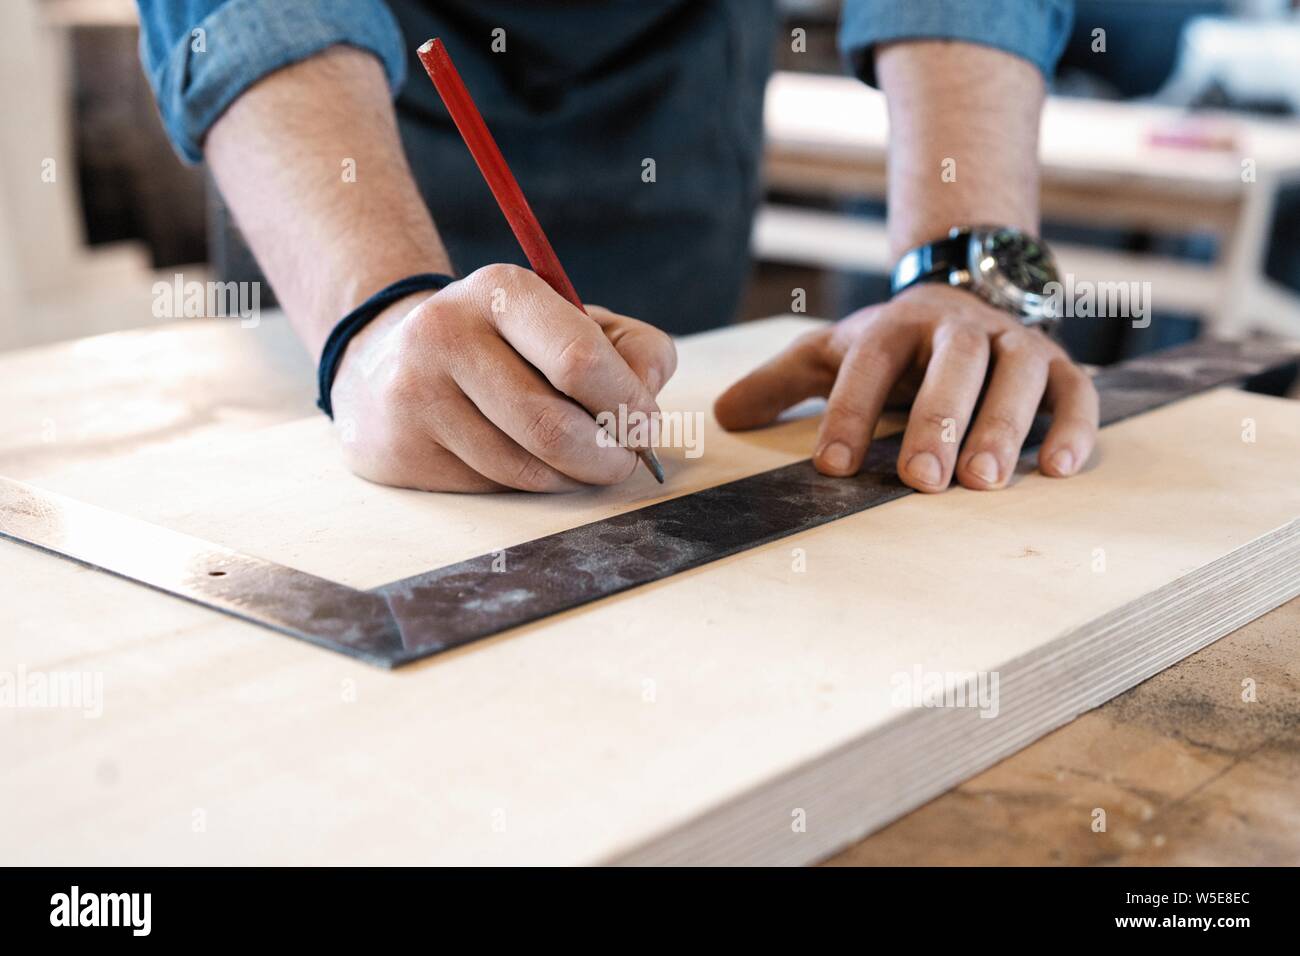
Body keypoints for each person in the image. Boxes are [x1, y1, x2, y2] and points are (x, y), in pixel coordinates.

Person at [136, 0, 1096, 494]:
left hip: (669, 94)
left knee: (648, 494)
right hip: (335, 136)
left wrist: (960, 265)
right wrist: (373, 317)